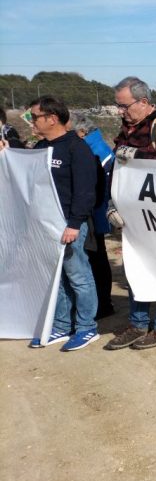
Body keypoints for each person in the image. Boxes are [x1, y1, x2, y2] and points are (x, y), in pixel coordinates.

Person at [105, 76, 156, 350]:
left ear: (143, 102)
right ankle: (138, 323)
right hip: (133, 214)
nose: (121, 111)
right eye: (119, 106)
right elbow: (119, 169)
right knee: (135, 268)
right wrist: (113, 202)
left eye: (125, 106)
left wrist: (133, 154)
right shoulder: (127, 127)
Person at [20, 97, 100, 351]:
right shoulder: (41, 147)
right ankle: (62, 326)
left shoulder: (77, 148)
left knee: (79, 276)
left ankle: (87, 327)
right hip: (47, 223)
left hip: (69, 223)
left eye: (34, 117)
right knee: (58, 278)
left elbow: (86, 191)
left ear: (52, 119)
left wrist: (74, 224)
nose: (31, 122)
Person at [70, 113, 115, 319]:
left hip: (96, 211)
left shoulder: (95, 150)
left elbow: (102, 187)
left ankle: (103, 304)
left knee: (96, 257)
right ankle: (102, 303)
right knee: (96, 256)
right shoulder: (95, 145)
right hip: (95, 210)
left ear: (82, 132)